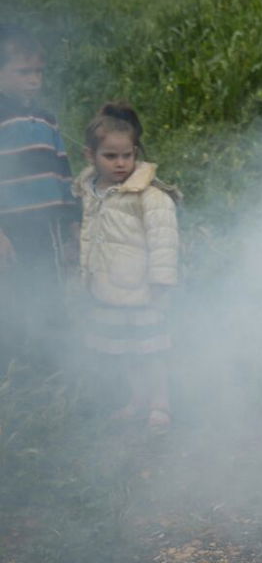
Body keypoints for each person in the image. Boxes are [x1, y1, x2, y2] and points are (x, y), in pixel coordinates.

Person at [74, 103, 179, 433]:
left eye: (126, 156)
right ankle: (137, 400)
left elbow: (164, 240)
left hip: (142, 290)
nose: (120, 164)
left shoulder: (148, 195)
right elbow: (89, 236)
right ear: (90, 156)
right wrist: (86, 276)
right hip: (109, 289)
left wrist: (161, 282)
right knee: (125, 349)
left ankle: (160, 403)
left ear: (136, 153)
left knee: (151, 350)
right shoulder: (92, 192)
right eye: (110, 156)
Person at [0, 24, 77, 367]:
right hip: (12, 229)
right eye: (23, 72)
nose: (34, 80)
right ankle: (15, 369)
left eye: (38, 72)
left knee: (52, 291)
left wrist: (74, 226)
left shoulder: (48, 120)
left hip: (50, 227)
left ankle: (53, 365)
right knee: (15, 297)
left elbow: (64, 174)